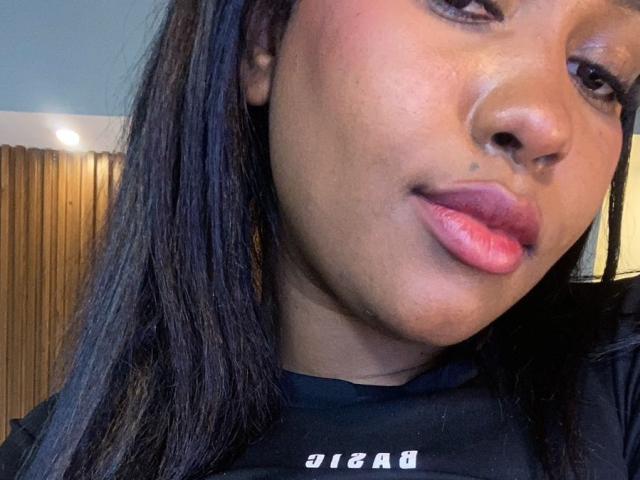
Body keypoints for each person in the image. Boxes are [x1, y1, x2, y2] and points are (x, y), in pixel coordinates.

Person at [1, 0, 640, 478]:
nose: (545, 122)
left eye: (597, 76)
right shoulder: (57, 455)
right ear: (265, 36)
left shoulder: (620, 376)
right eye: (462, 0)